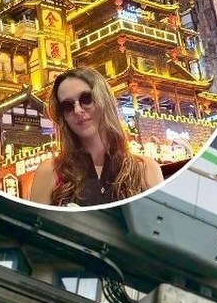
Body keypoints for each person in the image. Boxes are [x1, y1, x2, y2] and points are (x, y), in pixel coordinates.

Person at [28, 67, 163, 207]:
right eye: (67, 106)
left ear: (104, 99)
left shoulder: (146, 170)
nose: (77, 110)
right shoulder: (49, 172)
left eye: (86, 99)